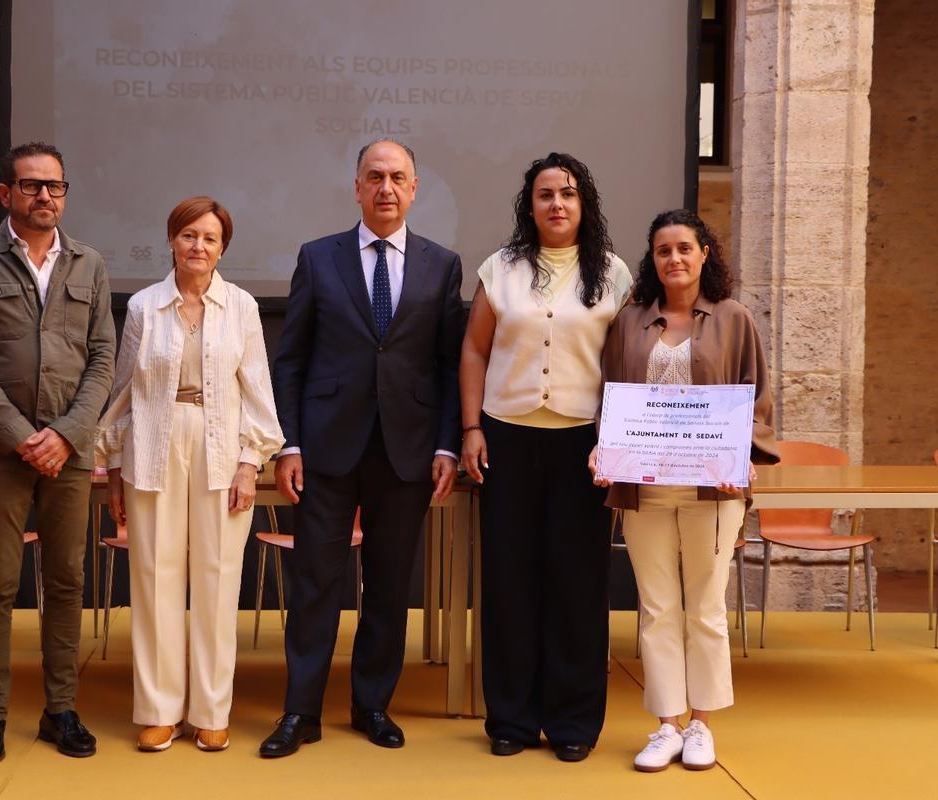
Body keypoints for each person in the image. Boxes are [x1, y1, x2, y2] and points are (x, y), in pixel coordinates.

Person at [260, 138, 465, 757]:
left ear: (414, 189)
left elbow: (448, 366)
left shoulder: (442, 264)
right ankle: (301, 711)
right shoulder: (317, 257)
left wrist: (447, 446)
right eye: (374, 177)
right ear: (356, 187)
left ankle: (372, 704)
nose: (385, 188)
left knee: (388, 584)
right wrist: (289, 443)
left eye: (397, 177)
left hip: (407, 449)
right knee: (315, 583)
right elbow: (291, 359)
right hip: (325, 448)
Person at [0, 142, 116, 764]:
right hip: (1, 452)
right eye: (32, 185)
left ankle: (60, 710)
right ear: (5, 193)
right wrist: (21, 436)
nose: (45, 195)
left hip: (69, 452)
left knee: (67, 581)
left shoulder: (90, 264)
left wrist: (65, 434)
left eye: (55, 186)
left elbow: (103, 357)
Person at [590, 209, 778, 772]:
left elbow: (756, 400)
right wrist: (603, 447)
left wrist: (741, 457)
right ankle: (666, 725)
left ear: (704, 255)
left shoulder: (734, 318)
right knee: (657, 608)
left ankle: (702, 724)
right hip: (645, 489)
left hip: (711, 491)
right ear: (652, 259)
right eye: (663, 250)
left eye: (684, 248)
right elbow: (610, 396)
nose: (674, 258)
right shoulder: (629, 321)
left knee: (705, 608)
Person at [459, 152, 632, 762]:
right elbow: (475, 350)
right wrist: (471, 427)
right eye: (545, 194)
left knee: (578, 584)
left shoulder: (613, 274)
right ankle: (510, 719)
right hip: (506, 440)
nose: (557, 203)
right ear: (528, 206)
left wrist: (617, 439)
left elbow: (626, 365)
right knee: (509, 580)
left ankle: (573, 723)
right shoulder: (500, 269)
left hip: (584, 446)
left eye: (568, 193)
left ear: (584, 204)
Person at [98, 197, 282, 753]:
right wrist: (113, 465)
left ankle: (210, 710)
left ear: (222, 248)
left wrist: (250, 463)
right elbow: (123, 391)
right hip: (152, 446)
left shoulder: (242, 306)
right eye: (188, 235)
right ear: (171, 240)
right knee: (154, 578)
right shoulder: (143, 307)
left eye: (209, 238)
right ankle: (159, 710)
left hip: (222, 449)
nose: (198, 246)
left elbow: (258, 390)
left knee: (218, 579)